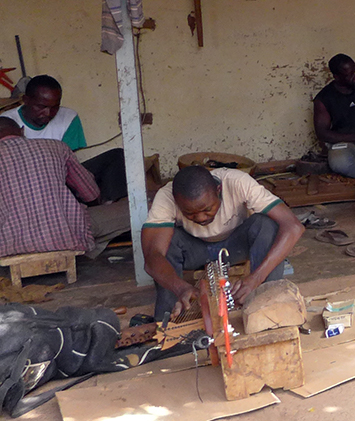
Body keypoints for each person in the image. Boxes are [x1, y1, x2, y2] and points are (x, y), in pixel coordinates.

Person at [142, 165, 305, 321]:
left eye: (207, 209)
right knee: (164, 242)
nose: (201, 218)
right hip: (194, 250)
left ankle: (268, 304)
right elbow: (152, 258)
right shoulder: (166, 196)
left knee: (265, 225)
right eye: (189, 213)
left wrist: (256, 278)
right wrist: (180, 288)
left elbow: (293, 227)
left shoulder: (237, 182)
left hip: (234, 245)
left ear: (218, 191)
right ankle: (168, 319)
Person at [2, 75, 126, 203]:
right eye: (41, 107)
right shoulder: (7, 122)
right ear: (26, 100)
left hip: (61, 177)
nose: (48, 113)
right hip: (28, 186)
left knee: (116, 156)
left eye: (55, 107)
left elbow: (70, 166)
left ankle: (112, 205)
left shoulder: (69, 117)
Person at [0, 117, 100, 258]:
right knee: (129, 213)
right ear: (22, 131)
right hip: (65, 240)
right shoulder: (57, 147)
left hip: (7, 248)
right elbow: (91, 194)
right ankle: (94, 252)